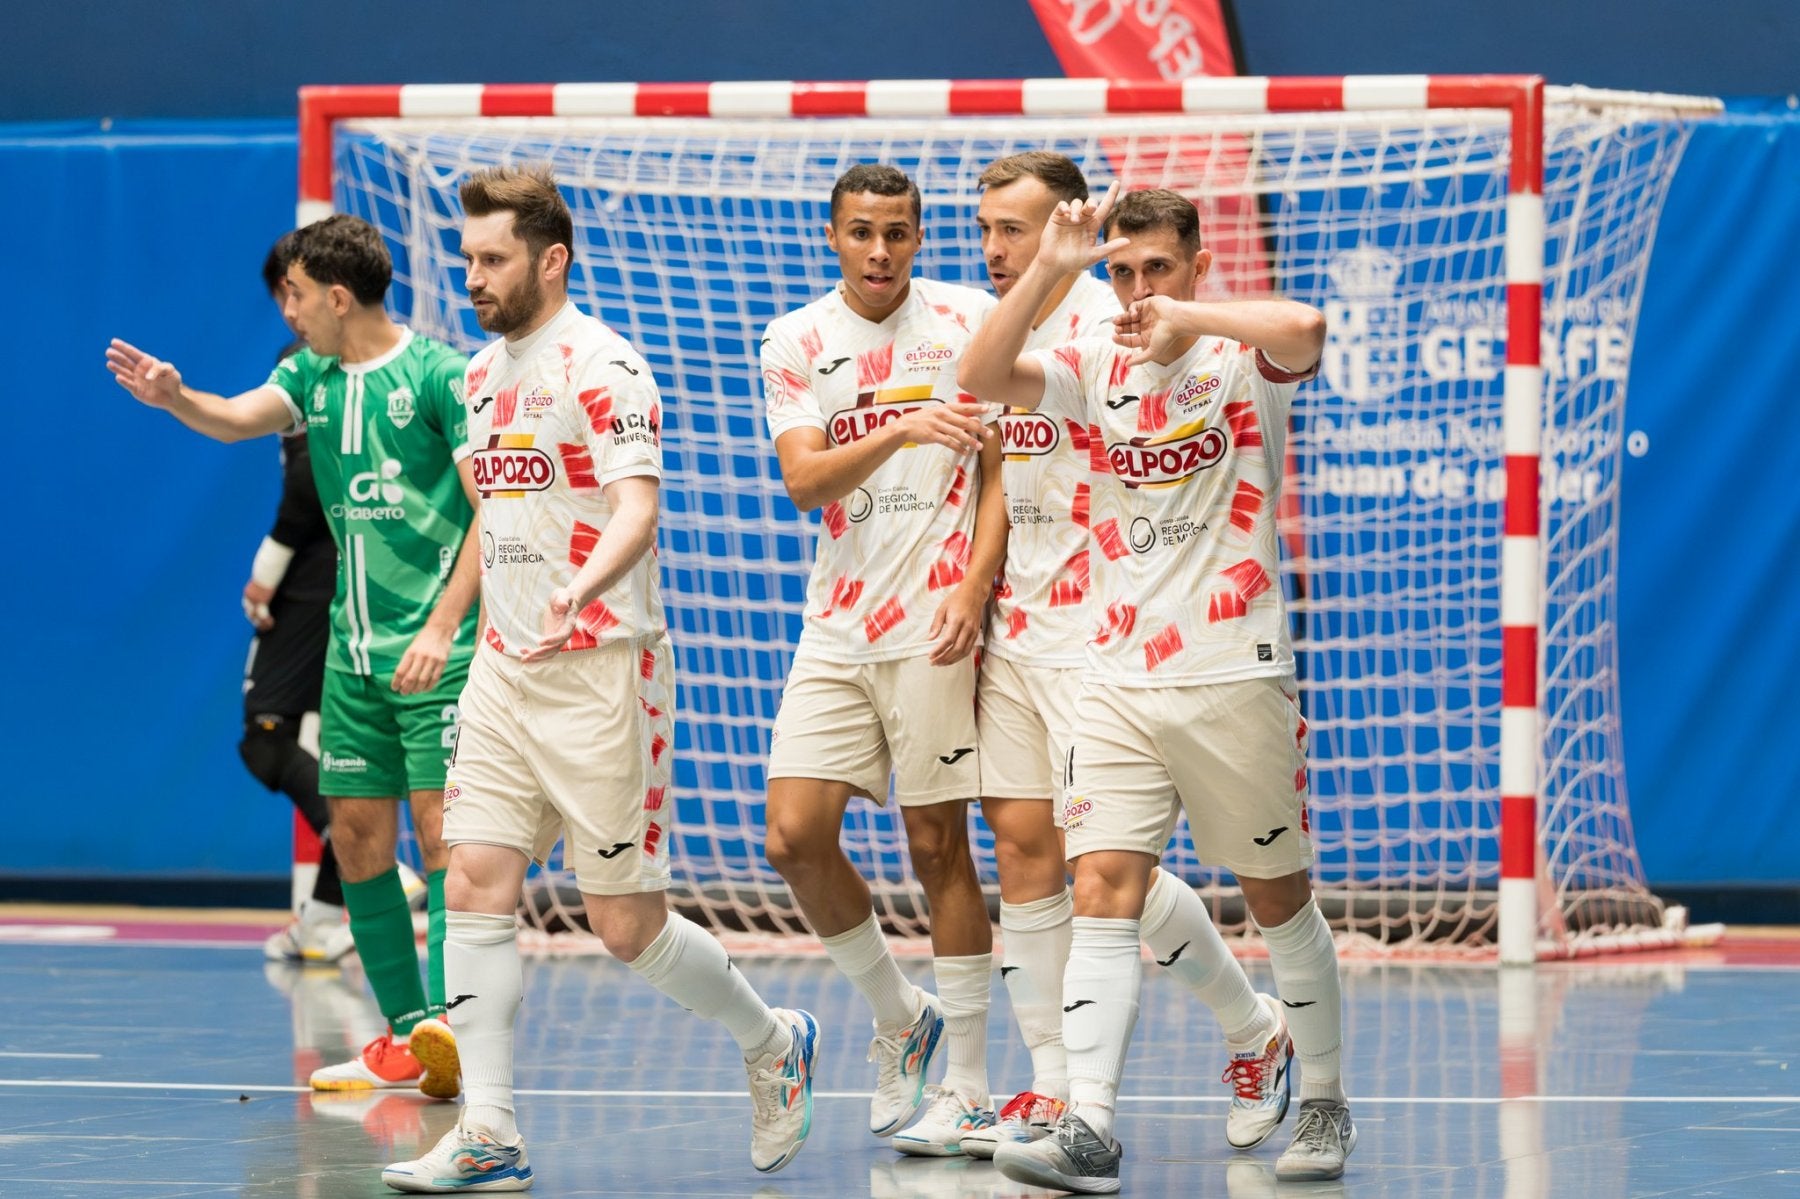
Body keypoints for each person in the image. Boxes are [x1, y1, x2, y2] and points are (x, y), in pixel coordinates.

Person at [380, 165, 818, 1193]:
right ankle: (491, 1127)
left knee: (625, 924)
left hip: (602, 671)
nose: (474, 276)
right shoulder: (481, 379)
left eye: (492, 258)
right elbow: (498, 513)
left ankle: (770, 1038)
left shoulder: (605, 366)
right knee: (474, 873)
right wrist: (451, 621)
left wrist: (581, 585)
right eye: (468, 257)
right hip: (502, 671)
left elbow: (635, 505)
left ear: (551, 259)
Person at [959, 185, 1353, 1191]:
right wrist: (1053, 264)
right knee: (1101, 888)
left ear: (1196, 264)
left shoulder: (1241, 358)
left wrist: (1191, 317)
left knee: (1276, 895)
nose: (1136, 291)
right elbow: (981, 372)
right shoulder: (1095, 363)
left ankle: (1324, 1098)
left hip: (1232, 673)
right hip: (1118, 674)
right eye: (1122, 272)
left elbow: (1307, 326)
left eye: (1155, 270)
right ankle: (1089, 1123)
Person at [107, 214, 480, 1101]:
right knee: (354, 835)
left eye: (297, 293)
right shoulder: (308, 374)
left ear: (338, 296)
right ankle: (408, 1036)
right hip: (353, 660)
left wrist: (441, 626)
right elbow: (237, 419)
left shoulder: (439, 376)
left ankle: (465, 1034)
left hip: (442, 655)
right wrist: (176, 397)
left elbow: (492, 514)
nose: (287, 308)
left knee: (443, 843)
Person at [758, 163, 1005, 1155]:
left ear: (918, 235)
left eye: (897, 233)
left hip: (934, 620)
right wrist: (903, 422)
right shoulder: (796, 339)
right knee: (793, 834)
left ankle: (975, 1083)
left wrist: (974, 585)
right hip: (839, 622)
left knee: (939, 843)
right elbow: (803, 478)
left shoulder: (968, 320)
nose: (879, 252)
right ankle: (898, 1012)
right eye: (862, 232)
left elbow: (1003, 465)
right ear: (834, 235)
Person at [244, 231, 356, 965]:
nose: (288, 311)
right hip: (366, 581)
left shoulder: (308, 365)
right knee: (333, 748)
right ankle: (323, 920)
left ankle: (363, 844)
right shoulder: (392, 362)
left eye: (297, 292)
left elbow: (307, 485)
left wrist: (266, 569)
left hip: (318, 577)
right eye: (279, 296)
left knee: (268, 738)